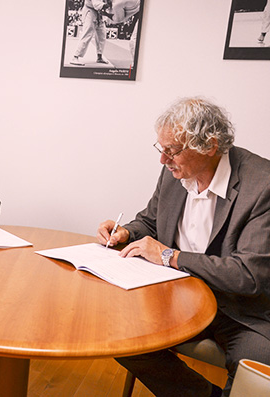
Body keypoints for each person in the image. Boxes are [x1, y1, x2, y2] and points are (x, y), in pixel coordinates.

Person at [97, 97, 270, 396]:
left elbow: (249, 274)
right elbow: (150, 222)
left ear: (210, 146)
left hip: (241, 308)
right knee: (117, 332)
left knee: (256, 369)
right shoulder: (175, 171)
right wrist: (126, 233)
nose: (163, 160)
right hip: (175, 296)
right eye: (161, 148)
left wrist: (169, 256)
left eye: (172, 151)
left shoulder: (262, 185)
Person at [70, 0, 110, 66]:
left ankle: (99, 57)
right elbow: (96, 4)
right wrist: (106, 5)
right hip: (90, 11)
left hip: (99, 13)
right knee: (87, 34)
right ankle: (75, 57)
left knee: (102, 35)